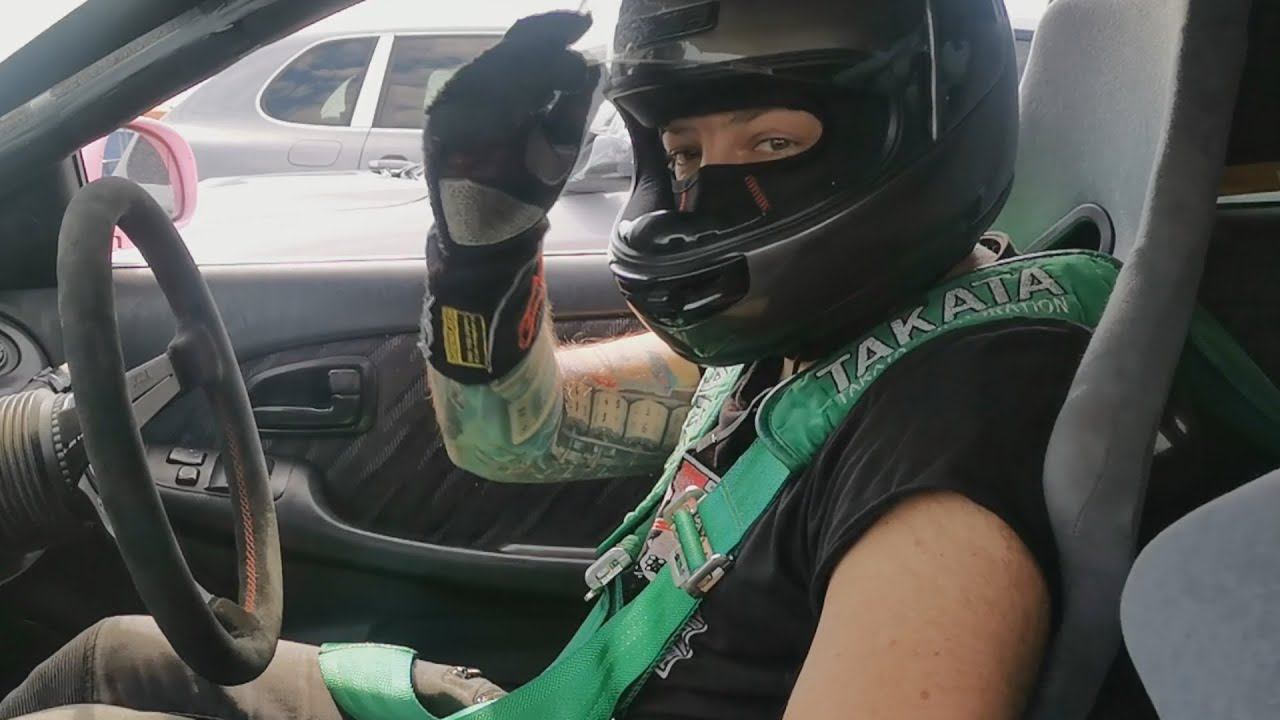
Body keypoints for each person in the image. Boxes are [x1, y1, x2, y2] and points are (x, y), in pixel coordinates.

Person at [1, 1, 1253, 719]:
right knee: (118, 655)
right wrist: (481, 248)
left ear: (913, 123)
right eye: (682, 150)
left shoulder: (957, 426)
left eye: (772, 138)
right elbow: (512, 438)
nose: (708, 191)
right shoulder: (830, 339)